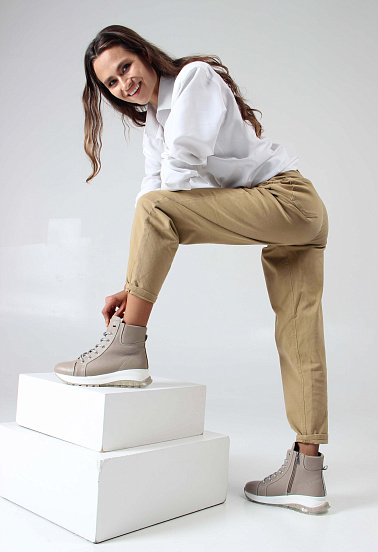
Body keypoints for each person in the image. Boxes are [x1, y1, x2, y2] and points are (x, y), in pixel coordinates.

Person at [54, 25, 330, 514]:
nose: (124, 84)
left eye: (125, 67)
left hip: (287, 199)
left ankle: (128, 345)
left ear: (144, 55)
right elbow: (153, 189)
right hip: (290, 219)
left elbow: (173, 183)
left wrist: (135, 300)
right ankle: (306, 471)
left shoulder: (193, 79)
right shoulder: (153, 123)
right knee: (298, 336)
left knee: (157, 208)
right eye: (111, 83)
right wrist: (129, 287)